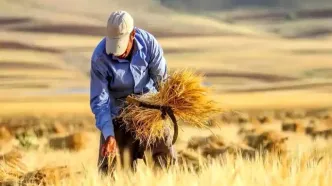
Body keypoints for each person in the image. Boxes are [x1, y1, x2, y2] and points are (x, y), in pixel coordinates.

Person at [89, 10, 177, 174]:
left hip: (150, 113)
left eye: (121, 45)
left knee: (166, 165)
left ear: (132, 35)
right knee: (109, 170)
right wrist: (109, 135)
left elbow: (162, 82)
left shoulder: (149, 44)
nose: (117, 51)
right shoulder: (99, 58)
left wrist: (168, 105)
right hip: (119, 115)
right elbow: (99, 102)